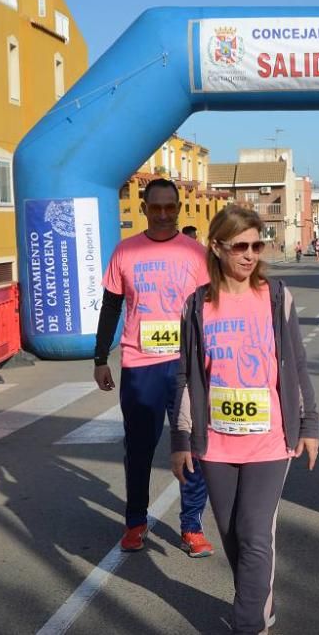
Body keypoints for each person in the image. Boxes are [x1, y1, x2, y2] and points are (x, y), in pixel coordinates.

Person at [169, 206, 319, 634]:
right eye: (240, 246)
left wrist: (309, 426)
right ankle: (258, 604)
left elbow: (297, 365)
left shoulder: (276, 297)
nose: (250, 255)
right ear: (217, 248)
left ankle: (248, 624)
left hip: (270, 440)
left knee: (255, 533)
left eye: (257, 245)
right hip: (215, 441)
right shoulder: (196, 305)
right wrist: (181, 439)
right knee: (233, 536)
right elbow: (186, 376)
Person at [93, 178, 213, 557]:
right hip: (140, 365)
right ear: (143, 208)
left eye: (170, 207)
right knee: (140, 449)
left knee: (193, 447)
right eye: (155, 207)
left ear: (179, 208)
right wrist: (100, 358)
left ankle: (191, 526)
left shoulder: (196, 254)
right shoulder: (125, 252)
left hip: (187, 365)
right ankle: (135, 522)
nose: (163, 214)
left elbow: (210, 311)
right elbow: (111, 306)